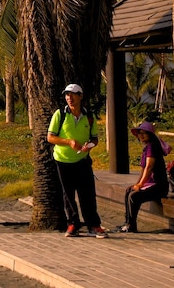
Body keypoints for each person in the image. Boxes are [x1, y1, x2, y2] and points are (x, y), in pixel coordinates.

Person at [46, 83, 108, 238]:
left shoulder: (89, 115)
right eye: (67, 95)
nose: (70, 98)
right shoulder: (59, 114)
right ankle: (73, 224)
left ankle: (94, 225)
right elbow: (50, 137)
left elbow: (95, 139)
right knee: (68, 195)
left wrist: (90, 146)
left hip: (82, 160)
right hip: (62, 160)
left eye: (73, 94)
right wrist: (69, 142)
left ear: (81, 96)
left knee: (87, 194)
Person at [116, 121, 170, 233]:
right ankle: (127, 222)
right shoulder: (147, 147)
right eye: (139, 133)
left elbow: (149, 167)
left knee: (134, 196)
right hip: (150, 184)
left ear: (150, 134)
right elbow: (143, 169)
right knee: (129, 191)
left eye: (144, 133)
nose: (141, 135)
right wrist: (137, 184)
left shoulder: (152, 147)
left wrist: (140, 185)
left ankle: (132, 225)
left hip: (159, 186)